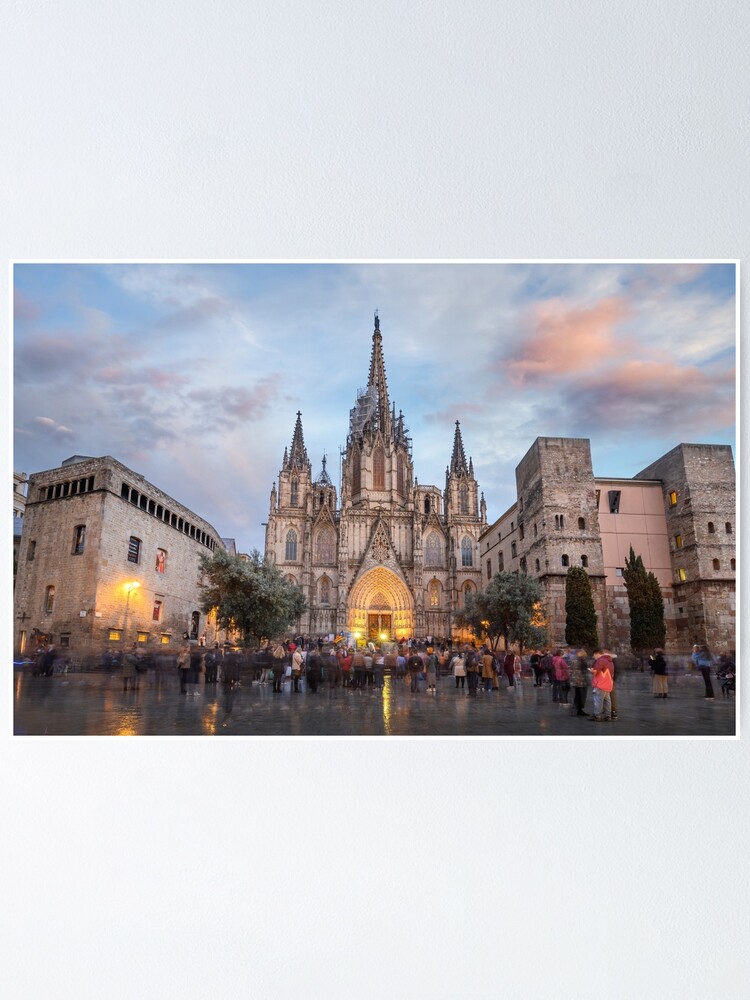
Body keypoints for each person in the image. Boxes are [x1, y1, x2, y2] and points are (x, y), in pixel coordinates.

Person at [588, 649, 614, 722]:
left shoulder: (600, 660)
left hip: (601, 683)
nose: (594, 657)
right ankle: (608, 716)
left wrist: (591, 671)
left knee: (598, 700)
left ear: (597, 654)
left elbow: (596, 671)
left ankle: (597, 716)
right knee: (607, 700)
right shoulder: (610, 661)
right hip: (608, 684)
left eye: (594, 655)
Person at [571, 650, 589, 716]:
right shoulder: (583, 661)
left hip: (574, 680)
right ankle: (579, 710)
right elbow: (586, 669)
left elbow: (570, 670)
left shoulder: (573, 660)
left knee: (576, 696)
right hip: (582, 681)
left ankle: (575, 710)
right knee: (582, 696)